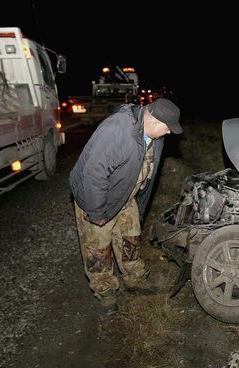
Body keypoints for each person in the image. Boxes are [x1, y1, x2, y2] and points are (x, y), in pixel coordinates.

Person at [70, 98, 182, 316]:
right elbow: (94, 174)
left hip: (124, 195)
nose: (168, 133)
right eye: (167, 128)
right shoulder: (117, 131)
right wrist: (96, 212)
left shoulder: (152, 136)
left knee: (131, 236)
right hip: (97, 197)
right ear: (155, 121)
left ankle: (134, 278)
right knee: (98, 249)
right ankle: (105, 292)